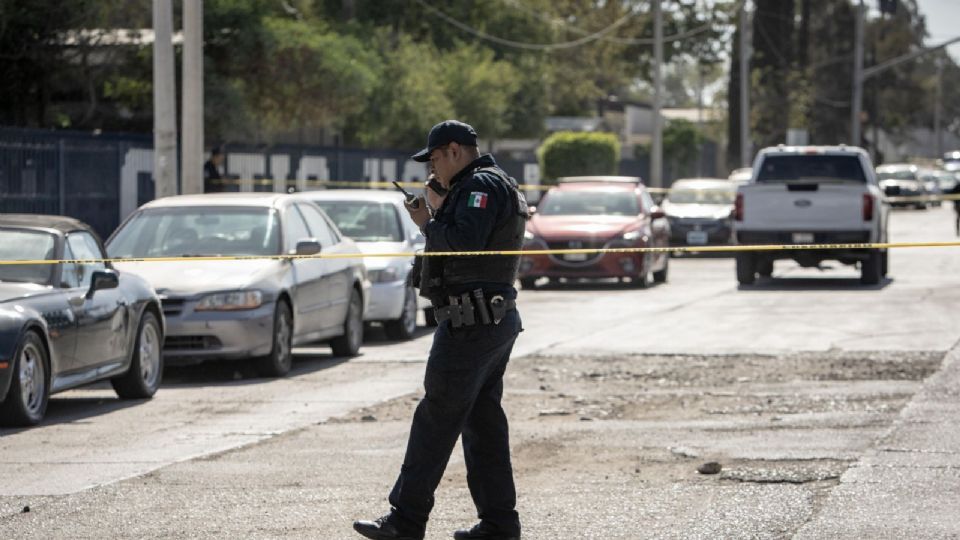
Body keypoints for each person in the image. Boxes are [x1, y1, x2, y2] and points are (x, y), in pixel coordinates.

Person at [353, 120, 529, 540]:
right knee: (483, 426)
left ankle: (406, 521)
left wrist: (426, 222)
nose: (431, 170)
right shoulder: (488, 184)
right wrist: (439, 206)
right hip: (487, 320)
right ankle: (499, 523)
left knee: (435, 421)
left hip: (472, 324)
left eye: (434, 159)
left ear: (454, 150)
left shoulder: (480, 187)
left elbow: (464, 240)